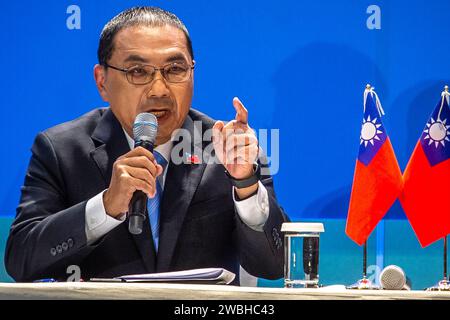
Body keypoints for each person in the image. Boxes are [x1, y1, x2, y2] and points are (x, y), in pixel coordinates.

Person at [5, 6, 288, 284]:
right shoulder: (61, 150)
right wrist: (106, 206)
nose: (159, 89)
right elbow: (21, 260)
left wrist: (246, 185)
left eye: (175, 69)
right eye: (138, 72)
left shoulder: (228, 148)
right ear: (102, 82)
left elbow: (275, 265)